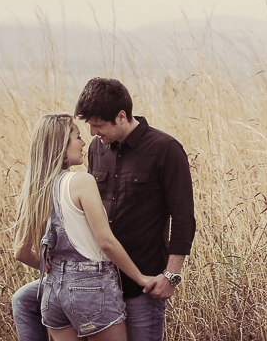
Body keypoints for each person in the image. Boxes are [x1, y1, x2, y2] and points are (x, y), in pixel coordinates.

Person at [12, 78, 196, 341]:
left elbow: (183, 218)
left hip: (140, 284)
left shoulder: (165, 150)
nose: (91, 134)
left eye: (98, 126)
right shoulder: (97, 149)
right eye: (87, 127)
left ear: (121, 116)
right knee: (23, 299)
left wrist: (171, 275)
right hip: (94, 280)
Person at [11, 113, 152, 340]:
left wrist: (52, 269)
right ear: (61, 146)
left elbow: (21, 252)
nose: (84, 142)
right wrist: (141, 278)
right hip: (92, 289)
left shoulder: (34, 189)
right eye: (77, 136)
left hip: (53, 294)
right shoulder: (81, 182)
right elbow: (106, 242)